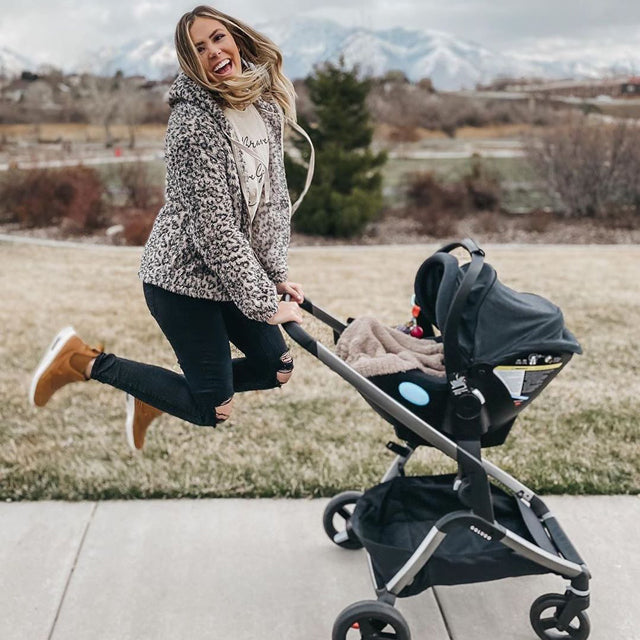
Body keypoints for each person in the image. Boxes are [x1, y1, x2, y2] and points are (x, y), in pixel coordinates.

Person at [29, 5, 315, 451]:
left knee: (276, 368)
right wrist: (262, 300)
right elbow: (215, 229)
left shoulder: (263, 108)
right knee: (211, 408)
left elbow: (272, 203)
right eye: (198, 48)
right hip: (182, 281)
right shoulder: (191, 125)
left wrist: (272, 273)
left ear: (235, 37)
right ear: (189, 62)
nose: (214, 52)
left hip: (232, 278)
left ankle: (156, 395)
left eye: (218, 37)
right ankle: (82, 360)